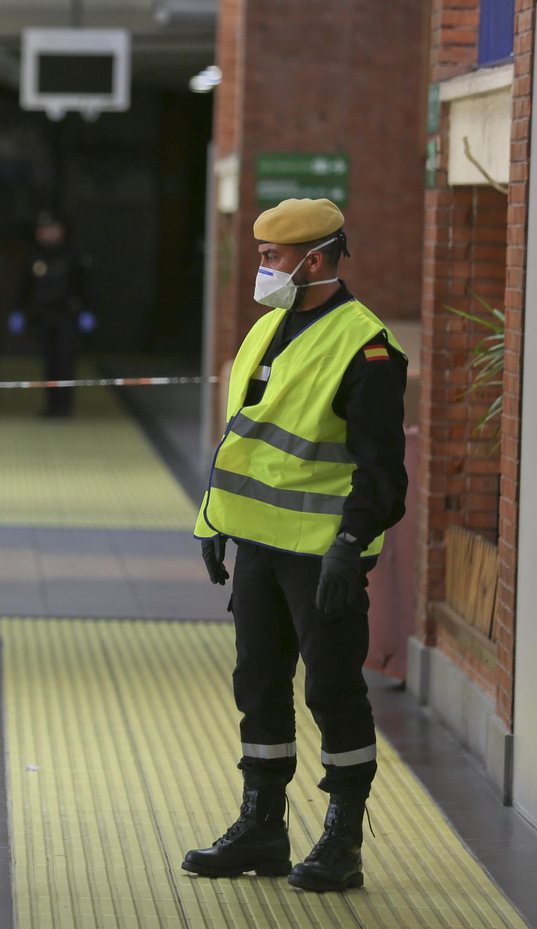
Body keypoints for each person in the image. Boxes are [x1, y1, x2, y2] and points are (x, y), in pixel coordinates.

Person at [185, 198, 408, 893]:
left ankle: (343, 837)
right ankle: (263, 826)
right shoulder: (268, 329)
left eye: (270, 257)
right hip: (258, 547)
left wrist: (349, 545)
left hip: (321, 557)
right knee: (258, 685)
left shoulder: (366, 347)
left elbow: (382, 472)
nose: (260, 266)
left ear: (314, 260)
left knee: (334, 690)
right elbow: (242, 439)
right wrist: (212, 523)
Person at [21, 212, 94, 417]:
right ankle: (52, 405)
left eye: (50, 230)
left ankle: (65, 406)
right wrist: (18, 310)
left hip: (67, 316)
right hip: (44, 315)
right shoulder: (35, 255)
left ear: (59, 231)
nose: (45, 234)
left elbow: (85, 285)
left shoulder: (73, 254)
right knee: (49, 362)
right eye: (42, 231)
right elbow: (25, 286)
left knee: (65, 361)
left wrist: (88, 310)